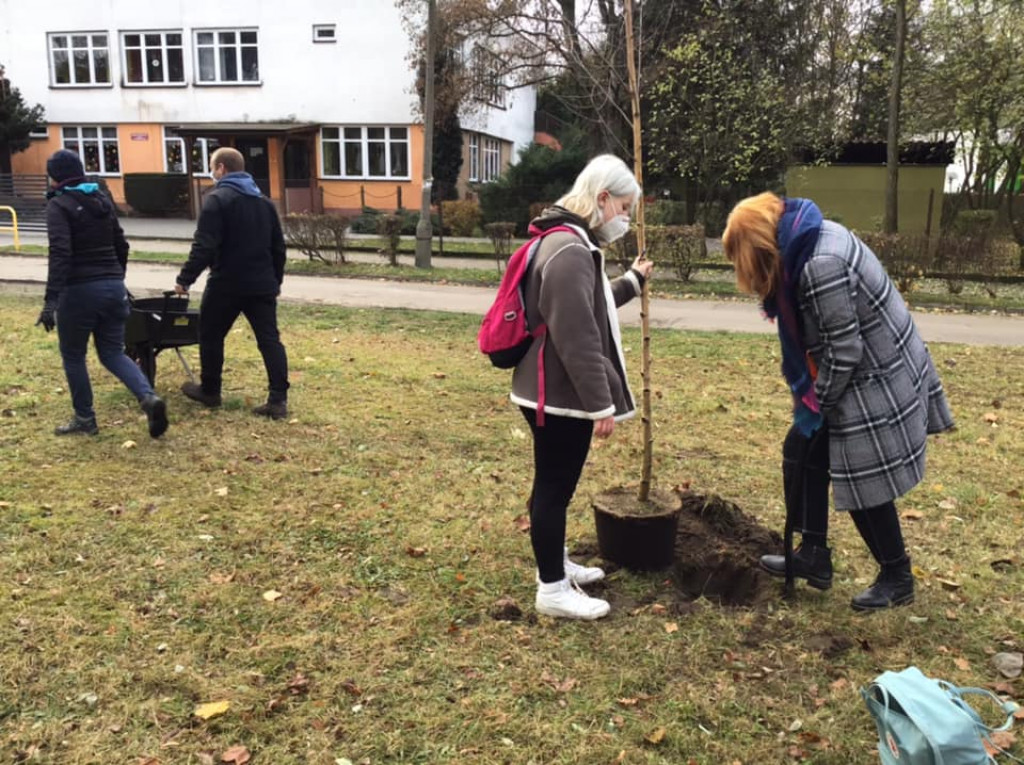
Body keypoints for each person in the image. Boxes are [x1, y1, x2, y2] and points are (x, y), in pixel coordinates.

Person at [722, 192, 954, 611]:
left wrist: (816, 405)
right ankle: (813, 554)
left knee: (860, 474)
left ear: (760, 248)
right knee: (800, 449)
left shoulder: (820, 264)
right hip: (867, 367)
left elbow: (845, 351)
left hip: (878, 375)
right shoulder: (807, 237)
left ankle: (897, 576)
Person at [512, 154, 653, 621]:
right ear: (602, 198)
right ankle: (552, 590)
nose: (626, 219)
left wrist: (631, 281)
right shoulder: (570, 249)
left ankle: (555, 564)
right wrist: (601, 404)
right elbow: (578, 336)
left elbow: (592, 304)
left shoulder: (566, 240)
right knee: (553, 488)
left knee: (554, 486)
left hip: (548, 389)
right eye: (624, 208)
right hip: (559, 396)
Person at [36, 149, 168, 439]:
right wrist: (115, 278)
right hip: (112, 288)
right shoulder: (102, 200)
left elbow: (60, 252)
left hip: (79, 291)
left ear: (55, 177)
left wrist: (50, 301)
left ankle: (85, 418)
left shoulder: (59, 205)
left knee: (73, 355)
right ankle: (148, 397)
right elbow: (123, 245)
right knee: (112, 352)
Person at [173, 147, 289, 419]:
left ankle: (210, 391)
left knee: (210, 335)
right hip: (261, 284)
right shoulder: (264, 202)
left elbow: (204, 246)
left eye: (213, 167)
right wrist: (275, 282)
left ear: (222, 168)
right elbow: (278, 249)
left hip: (226, 283)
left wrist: (184, 280)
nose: (212, 172)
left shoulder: (217, 200)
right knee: (269, 340)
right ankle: (277, 400)